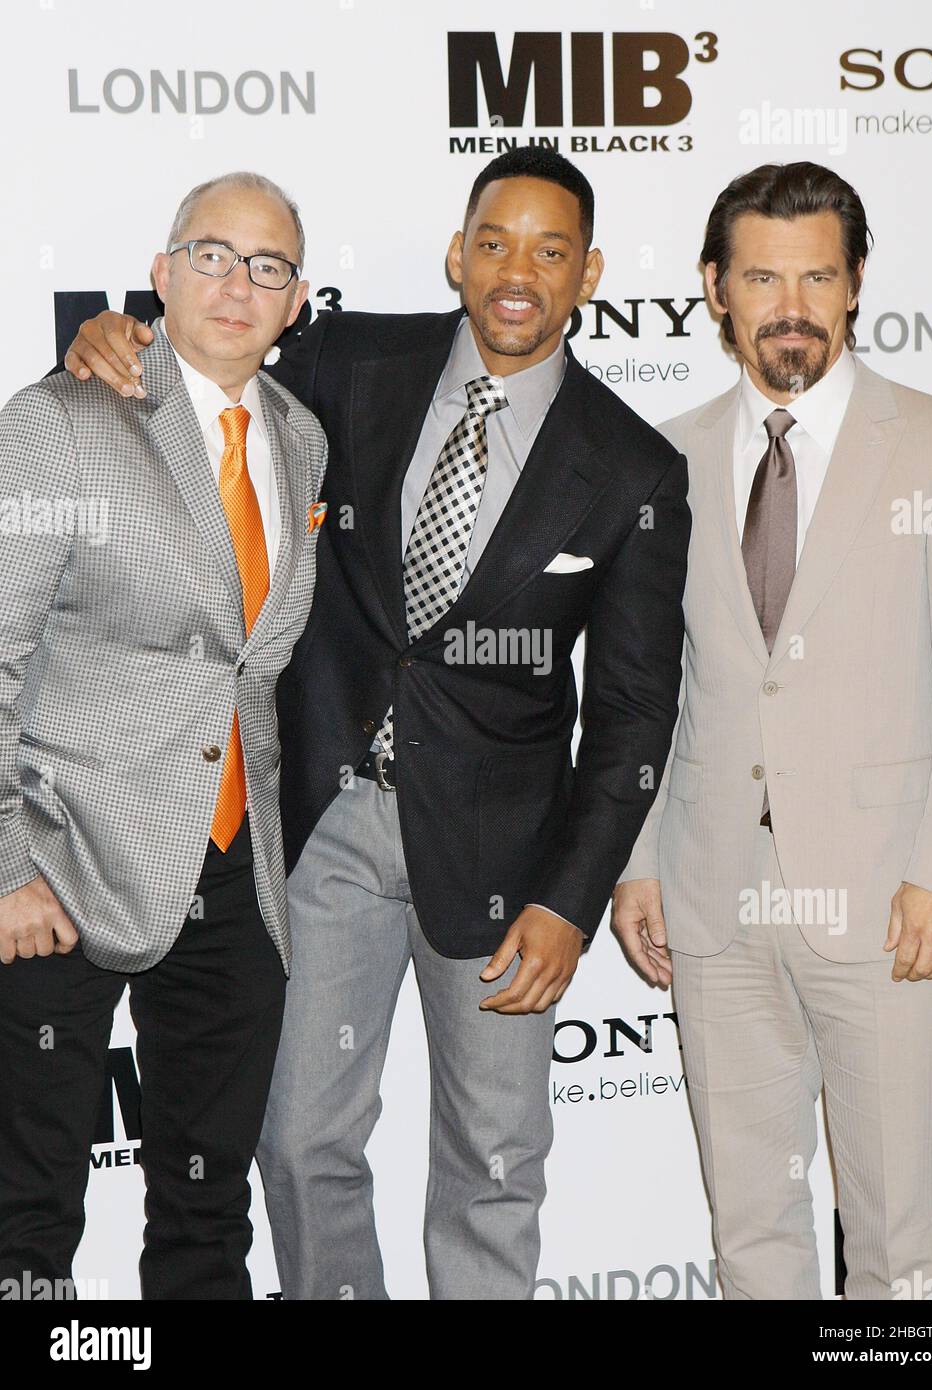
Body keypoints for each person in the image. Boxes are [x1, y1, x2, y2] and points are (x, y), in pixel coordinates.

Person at [66, 147, 690, 1299]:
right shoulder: (349, 360)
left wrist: (569, 898)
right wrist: (117, 337)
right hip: (323, 827)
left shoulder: (633, 467)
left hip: (507, 866)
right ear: (458, 254)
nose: (518, 271)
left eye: (551, 251)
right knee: (300, 1142)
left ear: (588, 272)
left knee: (494, 1165)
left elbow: (634, 709)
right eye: (495, 242)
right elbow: (214, 350)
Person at [613, 161, 932, 1300]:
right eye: (763, 277)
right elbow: (646, 686)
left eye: (817, 276)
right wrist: (638, 865)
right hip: (712, 891)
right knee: (750, 1235)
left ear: (857, 282)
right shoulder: (665, 453)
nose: (792, 304)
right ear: (714, 288)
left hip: (888, 903)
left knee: (895, 1244)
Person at [0, 171, 327, 1299]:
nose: (238, 285)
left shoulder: (300, 439)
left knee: (206, 1206)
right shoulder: (59, 423)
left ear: (297, 303)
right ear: (160, 273)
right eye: (211, 255)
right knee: (28, 1218)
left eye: (269, 267)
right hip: (65, 864)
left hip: (235, 877)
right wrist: (5, 873)